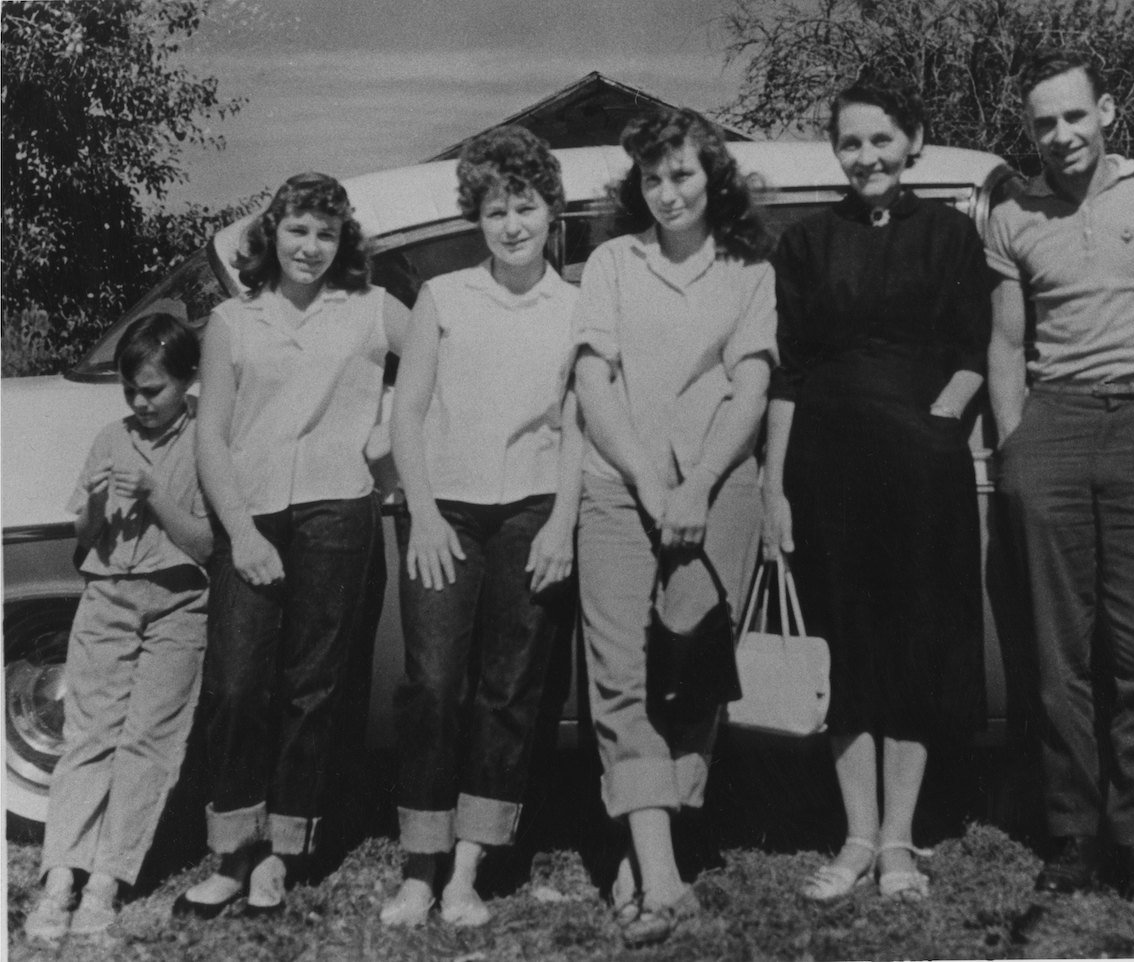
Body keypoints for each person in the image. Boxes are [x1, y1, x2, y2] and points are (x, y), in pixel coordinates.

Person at [986, 50, 1134, 907]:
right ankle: (1075, 834)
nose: (1060, 137)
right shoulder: (1012, 210)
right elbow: (1008, 343)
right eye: (1043, 124)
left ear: (1107, 111)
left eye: (1073, 117)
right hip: (1056, 421)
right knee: (1058, 656)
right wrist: (1016, 448)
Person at [763, 79, 990, 902]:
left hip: (922, 473)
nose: (867, 157)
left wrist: (937, 423)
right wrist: (774, 488)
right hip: (827, 472)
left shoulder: (952, 235)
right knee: (846, 653)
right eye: (852, 143)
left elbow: (973, 352)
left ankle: (899, 841)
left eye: (882, 140)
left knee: (912, 651)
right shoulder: (806, 243)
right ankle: (856, 836)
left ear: (914, 140)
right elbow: (787, 373)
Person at [175, 172, 408, 918]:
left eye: (326, 233)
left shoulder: (372, 310)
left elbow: (453, 355)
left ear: (344, 243)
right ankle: (231, 850)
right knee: (238, 684)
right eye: (298, 230)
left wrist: (392, 433)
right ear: (272, 233)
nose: (310, 247)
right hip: (251, 514)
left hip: (340, 512)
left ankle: (281, 852)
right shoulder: (232, 322)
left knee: (315, 689)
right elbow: (209, 435)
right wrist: (239, 532)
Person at [573, 107, 776, 947]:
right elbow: (594, 380)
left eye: (683, 174)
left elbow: (752, 385)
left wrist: (695, 486)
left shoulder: (748, 270)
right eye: (652, 179)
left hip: (720, 487)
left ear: (714, 176)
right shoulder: (612, 263)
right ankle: (660, 872)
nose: (668, 192)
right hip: (620, 489)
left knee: (696, 671)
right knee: (620, 672)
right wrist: (655, 488)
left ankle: (636, 859)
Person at [378, 125, 582, 929]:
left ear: (549, 208)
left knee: (509, 691)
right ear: (478, 218)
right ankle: (420, 869)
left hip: (532, 512)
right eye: (495, 210)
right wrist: (424, 515)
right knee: (431, 687)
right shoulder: (444, 297)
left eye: (524, 206)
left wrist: (562, 523)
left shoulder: (576, 308)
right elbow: (408, 415)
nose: (512, 225)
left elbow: (577, 425)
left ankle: (468, 868)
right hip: (447, 516)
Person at [24, 314, 212, 941]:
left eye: (153, 390)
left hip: (178, 603)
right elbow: (84, 538)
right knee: (89, 735)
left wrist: (156, 492)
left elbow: (206, 543)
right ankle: (59, 879)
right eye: (131, 389)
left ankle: (106, 881)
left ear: (188, 379)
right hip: (106, 599)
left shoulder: (206, 436)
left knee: (150, 744)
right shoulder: (110, 435)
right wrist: (99, 505)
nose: (140, 402)